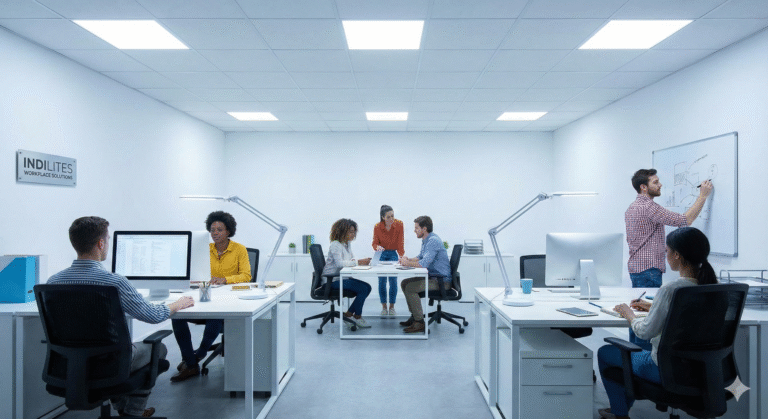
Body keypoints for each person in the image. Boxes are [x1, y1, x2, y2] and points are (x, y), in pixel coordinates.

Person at [47, 216, 194, 417]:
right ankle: (133, 412)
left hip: (68, 364)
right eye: (107, 239)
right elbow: (153, 315)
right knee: (158, 349)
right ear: (101, 243)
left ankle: (123, 407)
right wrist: (178, 304)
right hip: (110, 363)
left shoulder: (53, 282)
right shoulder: (113, 281)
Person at [597, 227, 718, 419]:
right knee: (642, 347)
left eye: (667, 250)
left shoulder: (671, 289)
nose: (666, 254)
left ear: (677, 255)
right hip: (704, 369)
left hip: (666, 370)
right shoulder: (713, 288)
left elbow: (644, 332)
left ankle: (619, 414)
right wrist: (655, 306)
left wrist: (629, 314)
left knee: (605, 352)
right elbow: (690, 317)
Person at [625, 169, 712, 348]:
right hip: (649, 270)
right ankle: (644, 359)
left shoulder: (632, 207)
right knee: (648, 323)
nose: (660, 185)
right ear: (643, 187)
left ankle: (634, 354)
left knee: (643, 313)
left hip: (638, 269)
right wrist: (703, 196)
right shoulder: (648, 206)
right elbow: (684, 221)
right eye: (655, 182)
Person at [171, 211, 251, 382]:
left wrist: (225, 280)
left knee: (215, 316)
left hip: (227, 300)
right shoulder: (204, 250)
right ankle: (190, 361)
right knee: (176, 316)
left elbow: (246, 276)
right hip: (203, 295)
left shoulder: (239, 249)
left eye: (219, 229)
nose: (215, 233)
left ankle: (198, 354)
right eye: (212, 229)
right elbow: (196, 271)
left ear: (228, 231)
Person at [398, 216, 452, 334]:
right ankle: (415, 316)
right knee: (404, 283)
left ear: (424, 228)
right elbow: (420, 257)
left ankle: (419, 322)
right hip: (434, 277)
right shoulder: (426, 239)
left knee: (410, 288)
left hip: (441, 281)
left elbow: (423, 264)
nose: (414, 230)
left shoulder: (433, 241)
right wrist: (409, 259)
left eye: (417, 228)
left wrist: (408, 263)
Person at [323, 218, 373, 328]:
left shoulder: (346, 244)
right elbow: (339, 264)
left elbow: (351, 259)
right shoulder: (335, 245)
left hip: (343, 278)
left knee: (368, 287)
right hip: (332, 280)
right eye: (351, 231)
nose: (353, 234)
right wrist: (357, 262)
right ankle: (357, 317)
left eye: (354, 231)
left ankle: (349, 314)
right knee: (363, 289)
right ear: (342, 231)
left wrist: (360, 261)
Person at [372, 205, 405, 317]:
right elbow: (374, 243)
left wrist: (401, 256)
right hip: (381, 254)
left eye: (393, 216)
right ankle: (384, 307)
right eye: (388, 217)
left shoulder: (399, 224)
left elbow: (401, 242)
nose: (392, 219)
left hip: (393, 254)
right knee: (382, 281)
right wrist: (377, 247)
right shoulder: (377, 227)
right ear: (383, 217)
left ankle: (392, 307)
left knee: (393, 280)